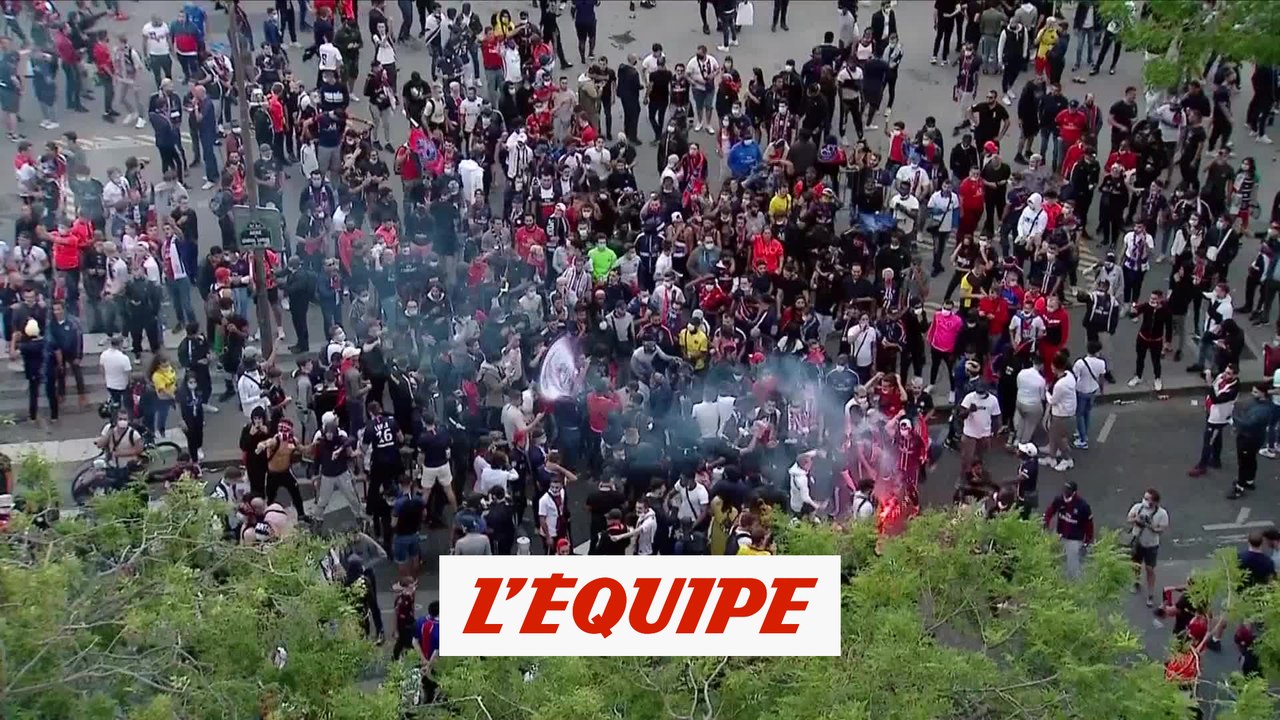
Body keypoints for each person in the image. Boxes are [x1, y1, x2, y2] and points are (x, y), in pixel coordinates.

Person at [1126, 488, 1169, 607]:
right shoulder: (1138, 507)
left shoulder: (1162, 514)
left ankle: (1150, 594)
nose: (1144, 501)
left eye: (1147, 499)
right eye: (1144, 498)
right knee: (1135, 564)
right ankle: (1136, 582)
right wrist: (1136, 520)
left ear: (1154, 502)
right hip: (1138, 541)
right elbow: (1129, 519)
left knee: (1150, 569)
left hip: (1151, 545)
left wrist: (1153, 527)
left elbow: (1163, 529)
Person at [1043, 480, 1093, 579]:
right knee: (1055, 558)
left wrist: (1087, 540)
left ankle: (1074, 583)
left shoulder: (1083, 506)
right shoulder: (1059, 500)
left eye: (1068, 490)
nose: (1065, 491)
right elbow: (1050, 510)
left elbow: (1089, 524)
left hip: (1074, 539)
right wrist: (1045, 522)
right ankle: (1056, 579)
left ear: (1074, 492)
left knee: (1073, 563)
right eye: (1065, 489)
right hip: (1060, 534)